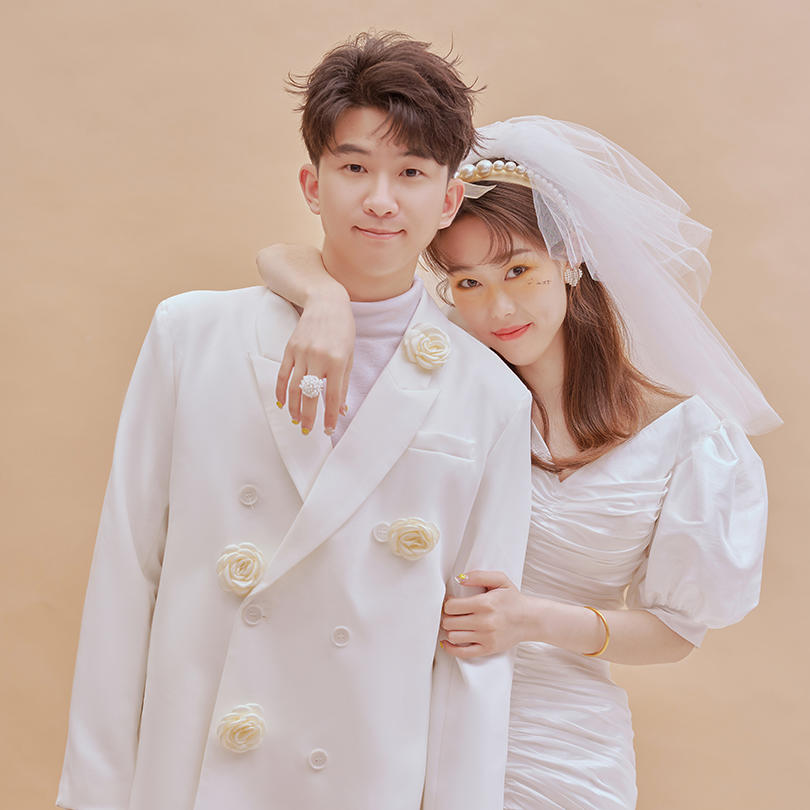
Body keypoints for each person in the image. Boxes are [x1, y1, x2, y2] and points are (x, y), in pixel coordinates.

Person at [56, 35, 533, 810]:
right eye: (355, 168)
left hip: (362, 774)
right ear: (313, 184)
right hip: (193, 766)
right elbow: (126, 573)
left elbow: (472, 653)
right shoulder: (191, 336)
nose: (381, 200)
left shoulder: (490, 397)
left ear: (448, 200)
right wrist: (93, 795)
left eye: (412, 173)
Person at [257, 115, 781, 808]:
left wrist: (529, 620)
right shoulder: (447, 384)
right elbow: (280, 258)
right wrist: (326, 300)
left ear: (570, 259)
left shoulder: (689, 438)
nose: (498, 306)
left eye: (518, 270)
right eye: (467, 283)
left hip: (563, 742)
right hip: (406, 717)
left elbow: (675, 633)